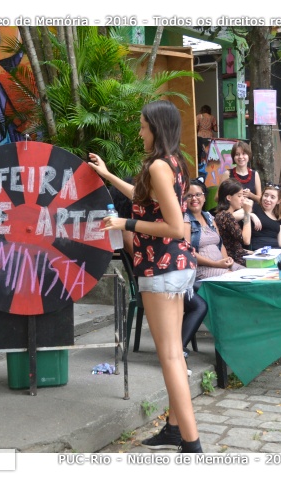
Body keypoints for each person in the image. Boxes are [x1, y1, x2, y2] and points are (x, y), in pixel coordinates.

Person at [88, 100, 202, 453]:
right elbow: (145, 200)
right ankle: (173, 429)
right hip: (175, 266)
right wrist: (108, 176)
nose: (139, 132)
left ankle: (192, 444)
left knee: (170, 357)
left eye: (142, 126)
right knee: (174, 353)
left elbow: (174, 227)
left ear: (156, 127)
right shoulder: (173, 162)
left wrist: (124, 223)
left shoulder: (158, 166)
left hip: (161, 267)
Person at [109, 179, 207, 371]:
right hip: (154, 278)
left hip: (166, 273)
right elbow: (141, 256)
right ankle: (178, 350)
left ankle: (176, 352)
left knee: (204, 289)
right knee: (199, 305)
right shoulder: (129, 228)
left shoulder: (138, 224)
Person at [184, 178, 244, 279]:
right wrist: (216, 264)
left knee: (248, 273)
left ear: (204, 197)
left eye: (198, 194)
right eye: (189, 196)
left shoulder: (209, 217)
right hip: (202, 268)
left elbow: (221, 244)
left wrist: (226, 260)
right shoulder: (185, 220)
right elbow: (188, 252)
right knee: (235, 278)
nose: (194, 198)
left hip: (221, 265)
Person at [249, 183, 281, 251]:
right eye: (266, 195)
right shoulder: (255, 208)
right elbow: (235, 216)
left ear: (278, 201)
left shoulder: (278, 217)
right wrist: (251, 215)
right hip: (259, 249)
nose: (268, 199)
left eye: (272, 197)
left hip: (275, 250)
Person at [214, 178, 254, 266]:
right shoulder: (226, 216)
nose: (242, 199)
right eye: (239, 196)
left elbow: (234, 245)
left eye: (243, 196)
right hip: (234, 261)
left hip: (236, 256)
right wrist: (247, 213)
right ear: (229, 197)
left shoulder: (221, 215)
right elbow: (246, 240)